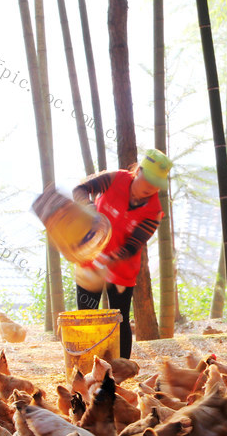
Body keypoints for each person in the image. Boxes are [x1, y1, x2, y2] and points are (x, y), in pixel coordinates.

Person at [72, 149, 171, 359]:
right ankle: (86, 369)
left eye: (157, 184)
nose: (151, 188)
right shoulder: (115, 178)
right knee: (86, 316)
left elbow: (134, 244)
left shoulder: (154, 210)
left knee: (120, 318)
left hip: (121, 271)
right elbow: (80, 189)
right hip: (89, 260)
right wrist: (89, 209)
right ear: (139, 171)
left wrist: (110, 258)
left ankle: (120, 373)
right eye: (149, 180)